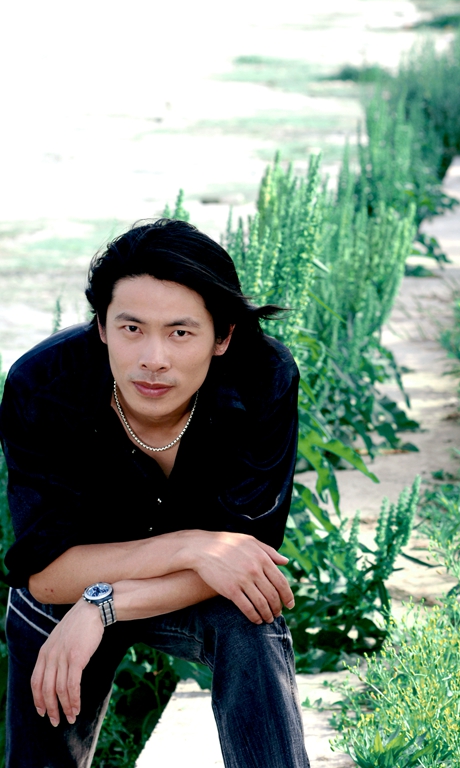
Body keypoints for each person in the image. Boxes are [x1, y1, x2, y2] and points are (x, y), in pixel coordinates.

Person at [0, 219, 310, 768]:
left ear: (223, 337)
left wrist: (104, 605)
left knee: (249, 611)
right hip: (69, 589)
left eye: (180, 333)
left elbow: (248, 560)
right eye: (132, 328)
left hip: (180, 593)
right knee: (40, 609)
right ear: (101, 327)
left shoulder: (261, 378)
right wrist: (191, 545)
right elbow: (45, 574)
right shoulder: (43, 387)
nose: (154, 358)